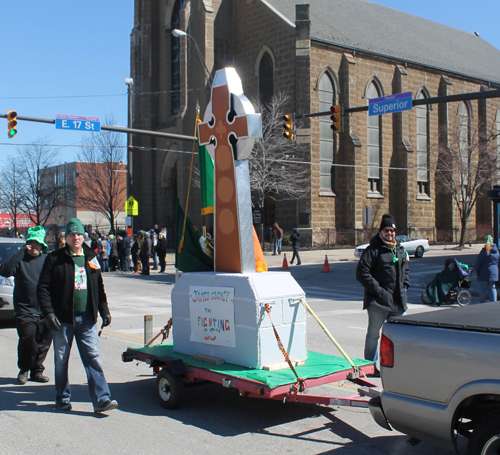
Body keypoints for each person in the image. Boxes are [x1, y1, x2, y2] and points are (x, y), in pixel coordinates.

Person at [37, 218, 118, 413]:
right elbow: (43, 289)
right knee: (61, 361)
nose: (76, 237)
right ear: (66, 238)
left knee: (93, 358)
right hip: (62, 320)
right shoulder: (54, 259)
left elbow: (98, 287)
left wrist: (104, 310)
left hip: (87, 318)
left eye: (79, 234)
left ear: (83, 236)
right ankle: (62, 398)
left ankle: (102, 399)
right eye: (72, 234)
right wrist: (48, 313)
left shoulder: (91, 257)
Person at [356, 214, 410, 371]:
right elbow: (362, 273)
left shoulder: (399, 249)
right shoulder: (372, 250)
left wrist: (405, 284)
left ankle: (394, 367)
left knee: (397, 337)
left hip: (398, 301)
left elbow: (405, 269)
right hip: (378, 303)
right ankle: (370, 367)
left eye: (392, 230)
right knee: (373, 335)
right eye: (386, 230)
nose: (390, 233)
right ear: (380, 232)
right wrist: (379, 291)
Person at [0, 226, 51, 384]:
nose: (34, 246)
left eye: (37, 243)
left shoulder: (46, 261)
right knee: (28, 339)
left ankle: (37, 370)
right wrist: (21, 252)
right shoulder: (20, 260)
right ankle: (24, 369)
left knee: (43, 342)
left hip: (44, 309)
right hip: (24, 309)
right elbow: (5, 271)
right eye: (31, 243)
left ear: (43, 245)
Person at [475, 235, 499, 303]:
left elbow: (478, 262)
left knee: (482, 287)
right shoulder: (496, 250)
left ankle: (483, 302)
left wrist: (476, 270)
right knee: (492, 287)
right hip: (494, 272)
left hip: (484, 272)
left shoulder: (484, 251)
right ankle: (494, 302)